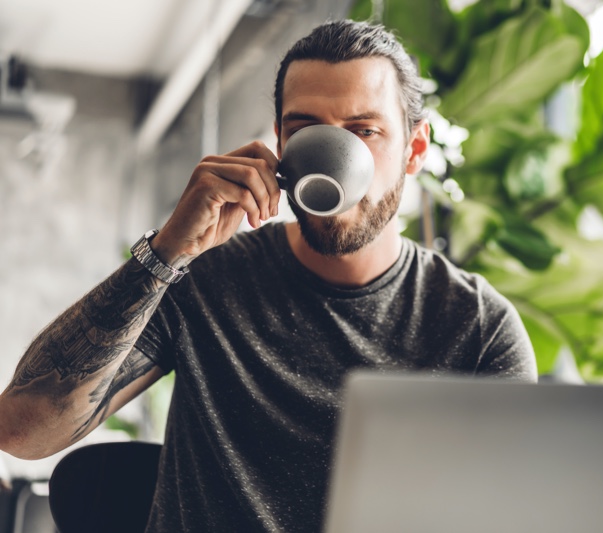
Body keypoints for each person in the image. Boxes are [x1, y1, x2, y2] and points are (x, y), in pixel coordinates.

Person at [0, 19, 536, 532]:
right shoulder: (205, 278)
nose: (336, 154)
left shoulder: (477, 327)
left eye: (364, 131)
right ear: (281, 145)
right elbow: (21, 429)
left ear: (414, 149)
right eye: (305, 130)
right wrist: (167, 252)